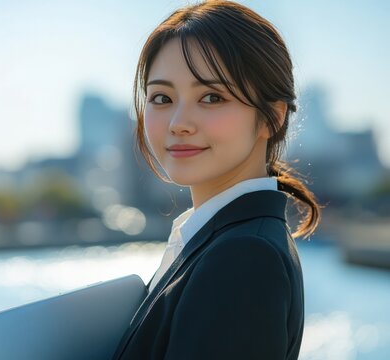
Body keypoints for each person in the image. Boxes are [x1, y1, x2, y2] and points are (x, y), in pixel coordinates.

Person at [112, 1, 322, 359]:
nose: (179, 122)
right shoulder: (223, 239)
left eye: (212, 97)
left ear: (271, 116)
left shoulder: (243, 257)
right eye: (162, 97)